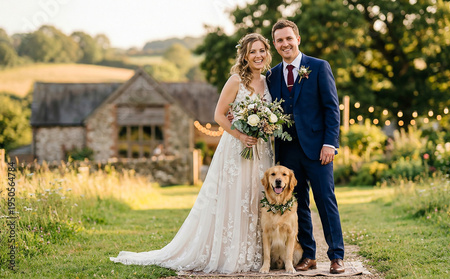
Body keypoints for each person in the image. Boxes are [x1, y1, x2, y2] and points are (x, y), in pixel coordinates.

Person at [110, 33, 274, 273]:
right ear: (245, 56)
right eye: (252, 52)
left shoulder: (270, 81)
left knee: (255, 198)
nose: (258, 56)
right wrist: (240, 135)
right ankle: (231, 254)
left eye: (261, 51)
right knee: (235, 198)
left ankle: (255, 254)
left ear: (267, 53)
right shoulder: (236, 80)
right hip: (237, 148)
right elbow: (219, 115)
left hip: (262, 148)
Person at [266, 19, 345, 274]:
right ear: (275, 45)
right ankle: (309, 255)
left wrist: (330, 144)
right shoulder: (273, 75)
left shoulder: (319, 67)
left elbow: (332, 108)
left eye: (288, 38)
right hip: (287, 153)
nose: (285, 43)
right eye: (279, 40)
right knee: (298, 205)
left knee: (326, 200)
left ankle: (336, 256)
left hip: (318, 149)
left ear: (297, 39)